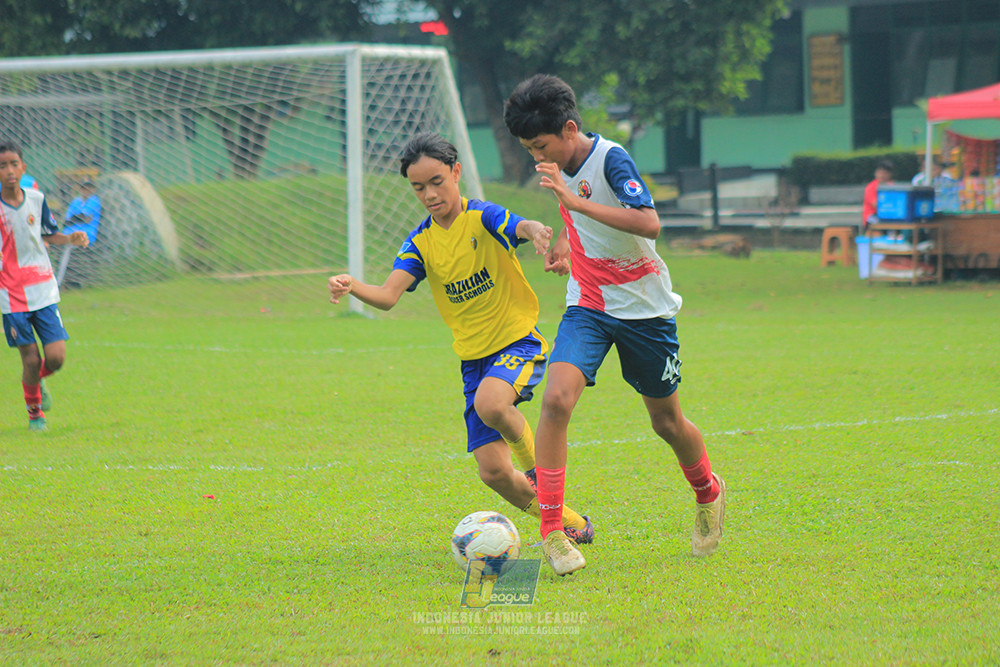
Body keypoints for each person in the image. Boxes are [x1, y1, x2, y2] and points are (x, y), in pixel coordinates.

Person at [503, 74, 725, 576]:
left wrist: (576, 204)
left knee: (666, 423)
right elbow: (581, 215)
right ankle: (553, 532)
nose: (538, 157)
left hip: (644, 309)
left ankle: (708, 492)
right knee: (557, 398)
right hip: (589, 305)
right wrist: (565, 241)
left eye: (541, 146)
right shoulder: (559, 167)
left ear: (569, 128)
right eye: (528, 149)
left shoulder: (612, 159)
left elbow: (648, 222)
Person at [327, 132, 594, 545]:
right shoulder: (420, 242)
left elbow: (517, 225)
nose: (430, 194)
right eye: (418, 187)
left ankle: (538, 473)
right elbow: (388, 296)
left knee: (492, 405)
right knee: (492, 473)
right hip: (474, 361)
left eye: (437, 181)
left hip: (518, 342)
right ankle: (573, 524)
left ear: (455, 172)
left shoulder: (481, 216)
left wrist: (538, 230)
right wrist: (351, 285)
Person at [0, 139, 90, 431]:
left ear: (23, 167)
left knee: (56, 358)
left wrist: (70, 238)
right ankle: (35, 413)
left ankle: (35, 380)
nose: (9, 170)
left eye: (14, 163)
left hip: (43, 288)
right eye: (3, 166)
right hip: (11, 294)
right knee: (30, 358)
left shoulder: (37, 200)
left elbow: (50, 234)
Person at [63, 179, 101, 244]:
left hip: (87, 232)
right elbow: (68, 219)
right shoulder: (76, 201)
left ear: (93, 189)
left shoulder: (94, 201)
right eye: (84, 188)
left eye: (89, 187)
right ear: (80, 189)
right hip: (71, 230)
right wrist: (77, 218)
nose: (86, 190)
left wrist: (75, 218)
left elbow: (85, 218)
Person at [862, 160, 894, 232]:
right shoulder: (871, 187)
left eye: (885, 173)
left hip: (890, 214)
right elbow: (875, 204)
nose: (882, 175)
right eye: (880, 173)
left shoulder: (892, 186)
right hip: (873, 215)